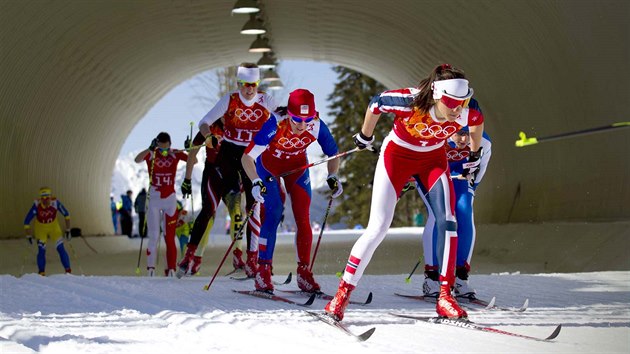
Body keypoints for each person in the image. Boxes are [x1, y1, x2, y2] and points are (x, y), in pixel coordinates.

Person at [324, 64, 484, 321]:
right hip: (397, 158)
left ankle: (445, 296)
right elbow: (376, 103)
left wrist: (475, 153)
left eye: (461, 102)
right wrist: (365, 136)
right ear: (435, 95)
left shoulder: (467, 111)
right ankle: (341, 296)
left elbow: (477, 123)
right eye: (450, 102)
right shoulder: (409, 101)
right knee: (378, 227)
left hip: (432, 161)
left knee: (449, 221)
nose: (456, 109)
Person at [178, 62, 277, 278]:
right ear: (239, 84)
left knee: (252, 207)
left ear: (257, 84)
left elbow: (284, 114)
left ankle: (251, 259)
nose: (249, 89)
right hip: (226, 159)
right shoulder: (229, 101)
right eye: (244, 84)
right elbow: (204, 123)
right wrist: (208, 135)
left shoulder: (265, 100)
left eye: (253, 84)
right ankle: (191, 255)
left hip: (250, 157)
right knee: (209, 210)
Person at [241, 88, 342, 293]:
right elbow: (247, 157)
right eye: (296, 119)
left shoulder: (317, 126)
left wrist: (332, 176)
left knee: (303, 217)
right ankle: (263, 271)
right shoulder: (275, 123)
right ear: (289, 113)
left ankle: (304, 273)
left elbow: (333, 153)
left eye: (308, 119)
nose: (302, 125)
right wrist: (254, 181)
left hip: (297, 169)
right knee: (274, 212)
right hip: (269, 167)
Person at [421, 117, 492, 298]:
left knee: (465, 211)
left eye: (468, 134)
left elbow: (480, 170)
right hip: (432, 175)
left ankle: (460, 278)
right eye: (460, 133)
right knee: (439, 215)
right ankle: (432, 278)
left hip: (460, 176)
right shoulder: (436, 135)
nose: (464, 139)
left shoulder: (483, 141)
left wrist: (472, 187)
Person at [134, 132, 188, 277]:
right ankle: (150, 269)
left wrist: (188, 149)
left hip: (170, 200)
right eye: (161, 148)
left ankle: (171, 269)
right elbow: (137, 159)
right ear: (157, 145)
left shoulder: (174, 154)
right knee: (153, 236)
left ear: (170, 145)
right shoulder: (152, 154)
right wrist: (149, 149)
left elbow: (192, 161)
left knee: (169, 237)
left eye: (166, 148)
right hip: (154, 201)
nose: (164, 152)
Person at [23, 187, 72, 275]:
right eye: (43, 198)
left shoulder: (55, 203)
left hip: (54, 227)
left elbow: (67, 214)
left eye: (47, 198)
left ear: (50, 197)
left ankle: (68, 271)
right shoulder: (36, 205)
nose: (45, 201)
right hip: (41, 229)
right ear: (40, 198)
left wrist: (68, 230)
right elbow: (26, 221)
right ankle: (42, 272)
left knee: (61, 248)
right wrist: (28, 236)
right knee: (41, 251)